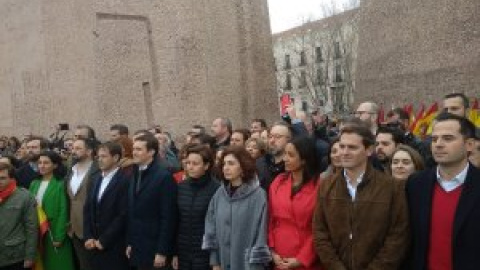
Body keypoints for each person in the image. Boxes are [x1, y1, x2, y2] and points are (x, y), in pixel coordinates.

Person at [313, 125, 409, 270]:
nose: (344, 152)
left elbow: (397, 236)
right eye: (342, 146)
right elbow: (320, 231)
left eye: (352, 147)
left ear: (369, 150)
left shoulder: (391, 187)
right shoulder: (326, 185)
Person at [406, 113, 480, 269]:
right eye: (434, 139)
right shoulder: (415, 184)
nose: (438, 144)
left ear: (469, 145)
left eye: (448, 138)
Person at [203, 146, 271, 270]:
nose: (226, 168)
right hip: (222, 263)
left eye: (231, 163)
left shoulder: (258, 195)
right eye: (224, 164)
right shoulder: (219, 194)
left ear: (243, 166)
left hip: (247, 264)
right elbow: (211, 228)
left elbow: (261, 233)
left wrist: (254, 265)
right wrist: (215, 261)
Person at [268, 137, 322, 270]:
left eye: (290, 155)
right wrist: (272, 251)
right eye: (285, 153)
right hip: (279, 257)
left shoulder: (320, 186)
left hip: (307, 257)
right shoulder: (278, 182)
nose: (285, 158)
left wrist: (302, 259)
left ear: (304, 159)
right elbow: (270, 220)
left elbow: (321, 228)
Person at [126, 134, 177, 270]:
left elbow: (168, 218)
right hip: (138, 246)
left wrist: (162, 251)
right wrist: (131, 242)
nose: (134, 152)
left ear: (151, 152)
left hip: (155, 250)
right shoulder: (135, 172)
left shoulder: (163, 177)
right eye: (134, 149)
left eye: (139, 149)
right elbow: (133, 212)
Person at [83, 142, 130, 270]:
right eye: (98, 157)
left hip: (114, 246)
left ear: (115, 158)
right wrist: (88, 236)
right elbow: (87, 210)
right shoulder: (95, 179)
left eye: (104, 156)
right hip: (93, 246)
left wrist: (104, 240)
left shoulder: (125, 181)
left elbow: (123, 215)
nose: (100, 160)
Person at [173, 144, 220, 270]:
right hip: (183, 253)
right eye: (188, 163)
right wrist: (174, 253)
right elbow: (176, 221)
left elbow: (219, 226)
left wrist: (215, 258)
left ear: (206, 165)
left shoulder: (217, 189)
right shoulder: (181, 187)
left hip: (205, 254)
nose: (190, 167)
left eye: (195, 163)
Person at [29, 151, 75, 270]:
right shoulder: (34, 183)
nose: (42, 166)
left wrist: (59, 236)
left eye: (46, 163)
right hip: (38, 231)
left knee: (57, 263)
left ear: (55, 165)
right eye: (39, 163)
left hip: (54, 231)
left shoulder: (61, 184)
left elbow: (63, 211)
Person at [66, 138, 100, 270]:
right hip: (74, 229)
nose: (73, 151)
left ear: (90, 151)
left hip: (94, 229)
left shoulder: (98, 170)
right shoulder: (71, 170)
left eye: (78, 148)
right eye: (73, 148)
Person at [0, 163, 37, 270]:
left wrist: (29, 256)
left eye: (2, 178)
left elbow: (31, 228)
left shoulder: (24, 197)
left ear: (11, 178)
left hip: (14, 256)